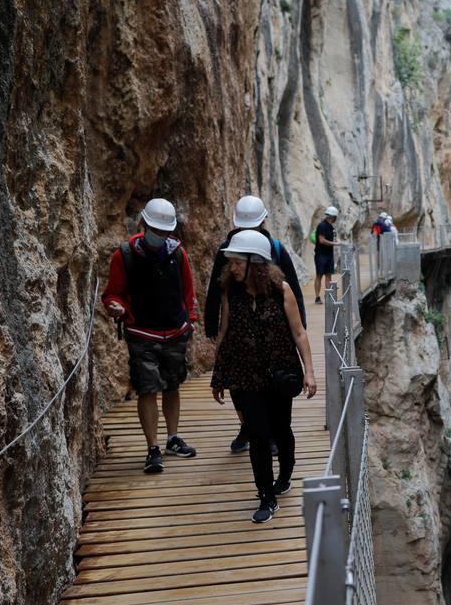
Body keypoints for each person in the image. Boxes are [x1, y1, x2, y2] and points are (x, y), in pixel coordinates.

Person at [211, 230, 317, 523]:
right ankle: (266, 496)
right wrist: (218, 376)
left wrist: (308, 372)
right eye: (230, 261)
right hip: (246, 376)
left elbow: (299, 332)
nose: (231, 267)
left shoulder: (281, 290)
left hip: (280, 373)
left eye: (236, 262)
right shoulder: (230, 292)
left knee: (282, 429)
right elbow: (224, 333)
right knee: (258, 435)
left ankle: (286, 471)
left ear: (254, 262)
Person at [101, 198, 199, 474]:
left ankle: (172, 438)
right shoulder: (125, 255)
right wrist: (114, 307)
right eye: (156, 229)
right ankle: (153, 447)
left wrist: (190, 321)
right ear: (143, 224)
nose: (161, 236)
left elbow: (188, 290)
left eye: (165, 231)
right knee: (147, 388)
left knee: (172, 385)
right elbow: (112, 292)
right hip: (142, 332)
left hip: (175, 331)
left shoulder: (178, 253)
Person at [204, 194, 306, 454]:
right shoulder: (229, 249)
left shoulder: (274, 248)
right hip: (239, 326)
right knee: (239, 386)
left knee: (265, 383)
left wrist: (299, 324)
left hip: (270, 327)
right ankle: (248, 426)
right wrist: (212, 324)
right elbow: (218, 287)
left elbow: (290, 287)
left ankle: (264, 431)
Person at [313, 205, 338, 305]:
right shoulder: (322, 226)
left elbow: (333, 239)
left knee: (328, 275)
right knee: (319, 275)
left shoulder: (331, 227)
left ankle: (328, 296)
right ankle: (317, 297)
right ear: (333, 217)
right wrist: (334, 244)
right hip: (321, 255)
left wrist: (336, 241)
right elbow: (321, 240)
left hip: (328, 255)